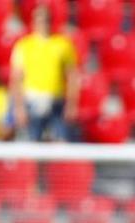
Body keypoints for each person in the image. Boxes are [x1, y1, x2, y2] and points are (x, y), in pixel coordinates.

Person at [9, 5, 79, 141]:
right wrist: (18, 107)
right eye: (40, 20)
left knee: (61, 143)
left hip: (56, 102)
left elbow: (72, 77)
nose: (43, 23)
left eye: (46, 19)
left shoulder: (63, 44)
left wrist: (71, 105)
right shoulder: (24, 46)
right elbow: (16, 79)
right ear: (33, 22)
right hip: (31, 101)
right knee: (31, 143)